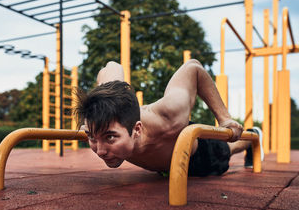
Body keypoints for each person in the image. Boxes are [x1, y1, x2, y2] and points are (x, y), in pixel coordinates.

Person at [74, 60, 263, 176]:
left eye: (110, 137)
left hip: (196, 156)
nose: (100, 151)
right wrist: (94, 123)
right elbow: (111, 66)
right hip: (161, 161)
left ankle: (254, 135)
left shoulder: (169, 115)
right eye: (92, 138)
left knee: (230, 147)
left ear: (137, 130)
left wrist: (225, 119)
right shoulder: (107, 111)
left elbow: (193, 68)